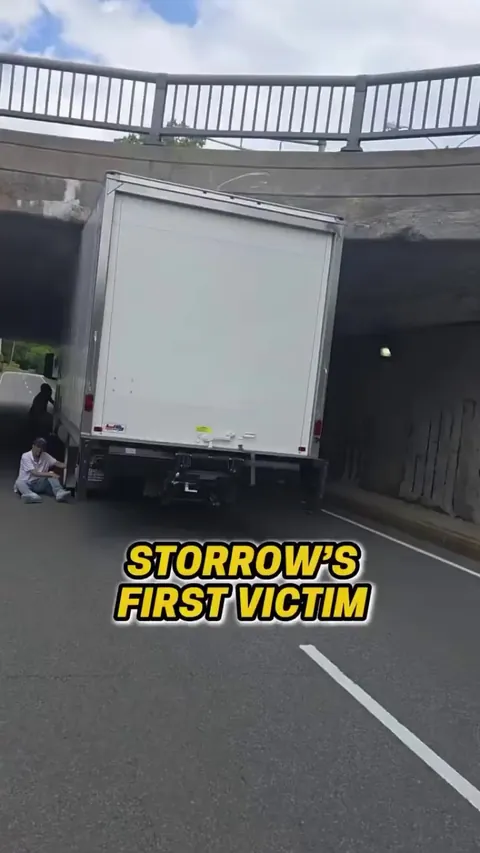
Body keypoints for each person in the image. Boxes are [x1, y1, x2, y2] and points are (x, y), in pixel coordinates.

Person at [14, 437, 70, 504]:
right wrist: (50, 474)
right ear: (33, 446)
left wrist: (68, 465)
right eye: (38, 446)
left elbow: (57, 463)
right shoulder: (25, 456)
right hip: (27, 483)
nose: (39, 449)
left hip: (39, 483)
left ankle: (59, 492)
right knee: (19, 482)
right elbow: (35, 473)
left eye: (41, 447)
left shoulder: (45, 455)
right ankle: (31, 495)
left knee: (51, 476)